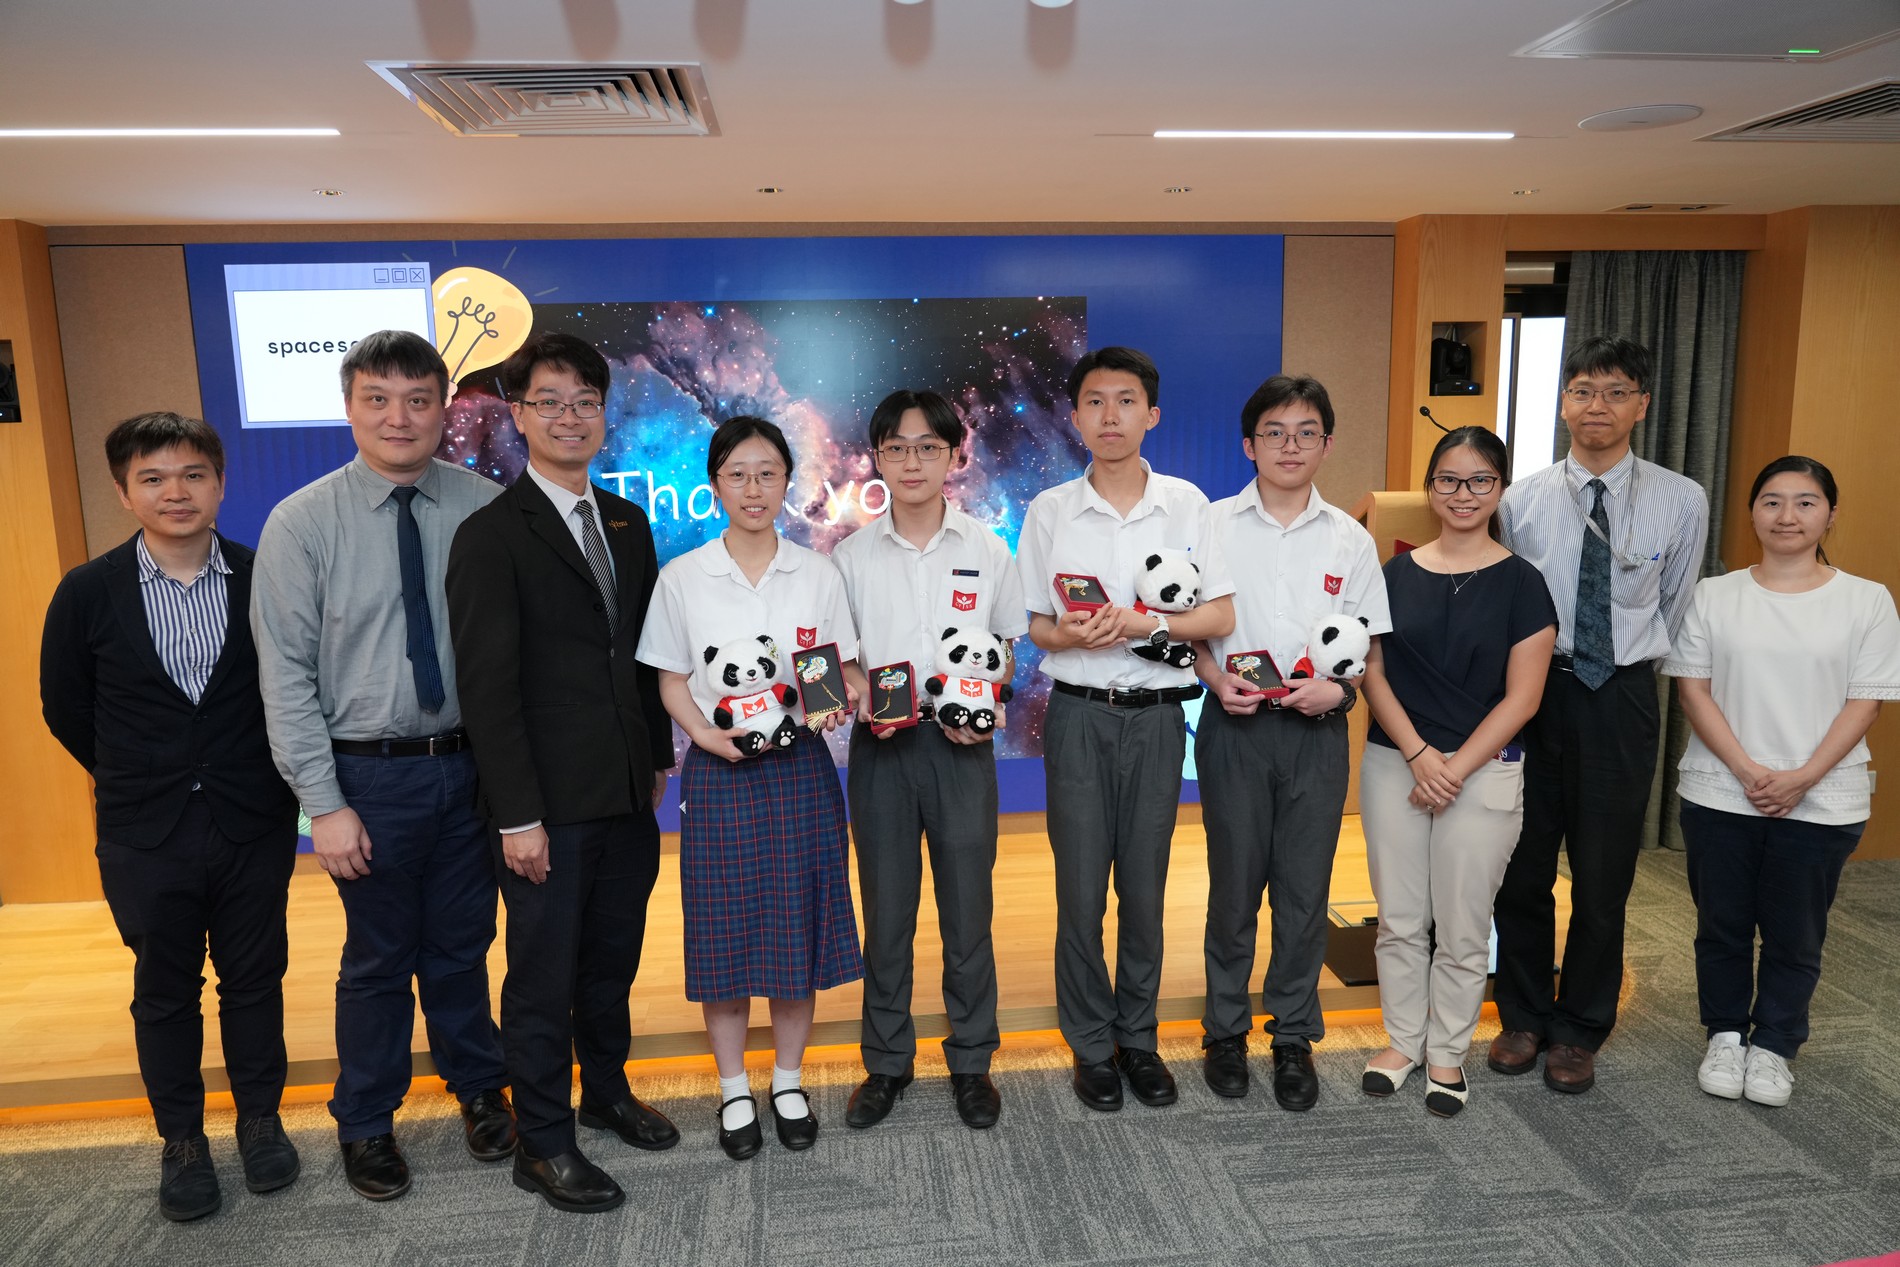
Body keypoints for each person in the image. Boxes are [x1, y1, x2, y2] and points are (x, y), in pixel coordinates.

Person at [251, 331, 513, 1201]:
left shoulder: (485, 506)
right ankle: (365, 1119)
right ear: (350, 407)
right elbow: (285, 677)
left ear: (443, 408)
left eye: (417, 399)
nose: (399, 417)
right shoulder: (301, 522)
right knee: (377, 957)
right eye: (378, 398)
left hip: (471, 768)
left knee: (463, 945)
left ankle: (480, 1087)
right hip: (365, 778)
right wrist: (321, 804)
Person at [40, 413, 301, 1221]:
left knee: (254, 977)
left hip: (252, 817)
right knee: (164, 988)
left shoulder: (264, 575)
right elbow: (65, 707)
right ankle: (182, 1140)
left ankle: (260, 1120)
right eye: (152, 477)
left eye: (192, 474)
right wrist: (141, 770)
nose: (175, 491)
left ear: (220, 483)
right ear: (125, 492)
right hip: (143, 828)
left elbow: (295, 688)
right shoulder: (88, 591)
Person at [445, 333, 679, 1213]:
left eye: (586, 401)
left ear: (603, 414)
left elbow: (641, 655)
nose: (570, 416)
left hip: (624, 790)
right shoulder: (490, 534)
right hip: (543, 805)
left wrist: (655, 757)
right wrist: (516, 816)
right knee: (542, 976)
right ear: (519, 414)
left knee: (611, 958)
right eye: (550, 401)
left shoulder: (625, 521)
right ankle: (542, 1141)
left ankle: (606, 1091)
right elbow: (487, 688)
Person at [636, 415, 864, 1159]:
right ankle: (734, 1087)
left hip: (800, 768)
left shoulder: (818, 573)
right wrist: (703, 737)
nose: (754, 488)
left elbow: (839, 670)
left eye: (768, 473)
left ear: (787, 482)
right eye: (738, 474)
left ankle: (787, 1081)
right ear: (716, 485)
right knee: (724, 936)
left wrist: (840, 697)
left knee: (797, 930)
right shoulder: (683, 576)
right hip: (722, 770)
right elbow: (671, 677)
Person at [1016, 346, 1235, 1112]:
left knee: (1144, 888)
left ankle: (1137, 1038)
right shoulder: (1049, 511)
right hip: (1078, 715)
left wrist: (1145, 623)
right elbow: (1036, 625)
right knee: (1080, 892)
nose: (1111, 415)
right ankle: (1090, 1044)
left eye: (1127, 400)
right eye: (1095, 401)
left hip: (1157, 720)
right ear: (1075, 416)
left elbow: (1219, 615)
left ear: (1153, 414)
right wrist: (1069, 634)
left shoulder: (1187, 505)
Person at [1489, 335, 1708, 1094]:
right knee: (1520, 867)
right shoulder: (1518, 500)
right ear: (1563, 403)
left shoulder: (1682, 499)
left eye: (1615, 392)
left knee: (1603, 874)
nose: (1597, 406)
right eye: (1583, 390)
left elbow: (1676, 606)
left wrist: (1623, 662)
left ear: (1641, 405)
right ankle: (1522, 1014)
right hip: (1532, 692)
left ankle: (1580, 1027)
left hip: (1620, 695)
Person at [1662, 456, 1898, 1108]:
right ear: (1752, 513)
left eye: (1805, 502)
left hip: (1823, 797)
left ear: (1830, 513)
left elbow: (1866, 702)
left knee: (1796, 932)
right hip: (1719, 789)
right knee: (1723, 924)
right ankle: (1725, 1035)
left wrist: (1802, 777)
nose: (1786, 516)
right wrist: (1745, 769)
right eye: (1771, 501)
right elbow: (1694, 691)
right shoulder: (1714, 595)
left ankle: (1773, 1046)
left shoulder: (1867, 600)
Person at [1193, 375, 1392, 1110]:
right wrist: (1214, 679)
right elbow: (1191, 629)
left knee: (1305, 892)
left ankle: (1294, 1037)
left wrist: (1340, 693)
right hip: (1235, 727)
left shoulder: (1351, 538)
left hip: (1316, 733)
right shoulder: (1211, 525)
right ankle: (1224, 1030)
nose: (1290, 446)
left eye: (1307, 432)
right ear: (1249, 445)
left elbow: (1365, 648)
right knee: (1233, 887)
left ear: (1326, 445)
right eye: (1274, 432)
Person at [831, 389, 1026, 1131]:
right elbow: (840, 659)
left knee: (968, 913)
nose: (912, 461)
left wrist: (990, 706)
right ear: (877, 459)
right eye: (897, 448)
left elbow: (1005, 650)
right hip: (883, 753)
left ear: (953, 455)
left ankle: (972, 1060)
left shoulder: (986, 547)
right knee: (887, 914)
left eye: (927, 447)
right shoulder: (849, 556)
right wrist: (858, 697)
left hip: (961, 751)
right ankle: (886, 1062)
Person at [1358, 426, 1556, 1117]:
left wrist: (1454, 768)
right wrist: (1419, 754)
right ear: (1430, 488)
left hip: (1485, 769)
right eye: (1448, 479)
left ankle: (1447, 1049)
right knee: (1399, 918)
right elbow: (1371, 671)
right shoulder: (1392, 574)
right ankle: (1402, 1042)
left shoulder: (1524, 583)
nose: (1462, 493)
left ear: (1499, 489)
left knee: (1464, 923)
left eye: (1479, 480)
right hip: (1395, 762)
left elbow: (1523, 697)